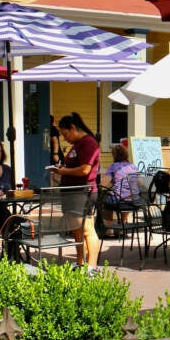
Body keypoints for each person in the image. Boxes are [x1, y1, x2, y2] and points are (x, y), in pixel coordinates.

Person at [51, 113, 101, 269]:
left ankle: (91, 267)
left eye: (65, 134)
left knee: (87, 230)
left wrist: (63, 172)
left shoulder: (88, 143)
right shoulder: (78, 144)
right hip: (73, 193)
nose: (64, 138)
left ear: (72, 128)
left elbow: (85, 169)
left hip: (83, 192)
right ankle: (80, 262)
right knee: (77, 231)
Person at [103, 144, 142, 234]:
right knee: (126, 194)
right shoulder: (133, 167)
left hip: (119, 200)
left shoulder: (113, 166)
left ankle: (109, 227)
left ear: (114, 155)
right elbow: (140, 183)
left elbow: (104, 183)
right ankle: (122, 225)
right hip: (133, 201)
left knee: (105, 200)